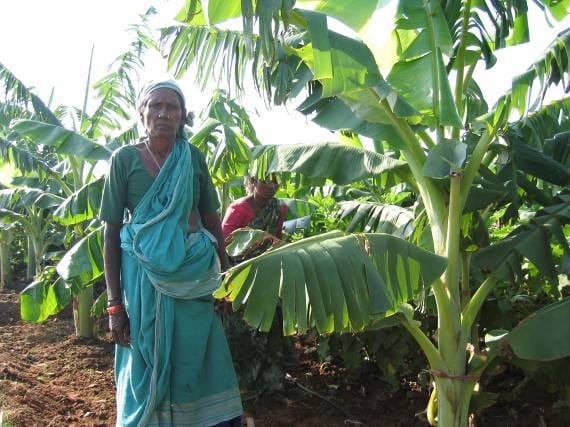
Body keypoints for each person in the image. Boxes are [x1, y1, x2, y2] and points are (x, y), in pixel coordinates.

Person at [100, 79, 243, 426]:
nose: (163, 113)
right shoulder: (124, 160)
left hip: (194, 275)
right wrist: (115, 304)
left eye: (172, 107)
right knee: (145, 355)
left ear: (182, 116)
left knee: (197, 352)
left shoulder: (192, 158)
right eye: (156, 105)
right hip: (143, 282)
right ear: (142, 112)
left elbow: (211, 217)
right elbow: (112, 231)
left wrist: (224, 277)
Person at [221, 176, 293, 396]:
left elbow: (276, 240)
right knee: (243, 330)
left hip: (268, 275)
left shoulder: (278, 208)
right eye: (265, 181)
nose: (271, 187)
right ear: (251, 182)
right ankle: (242, 385)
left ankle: (271, 381)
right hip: (241, 277)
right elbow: (223, 246)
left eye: (275, 182)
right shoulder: (238, 210)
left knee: (271, 325)